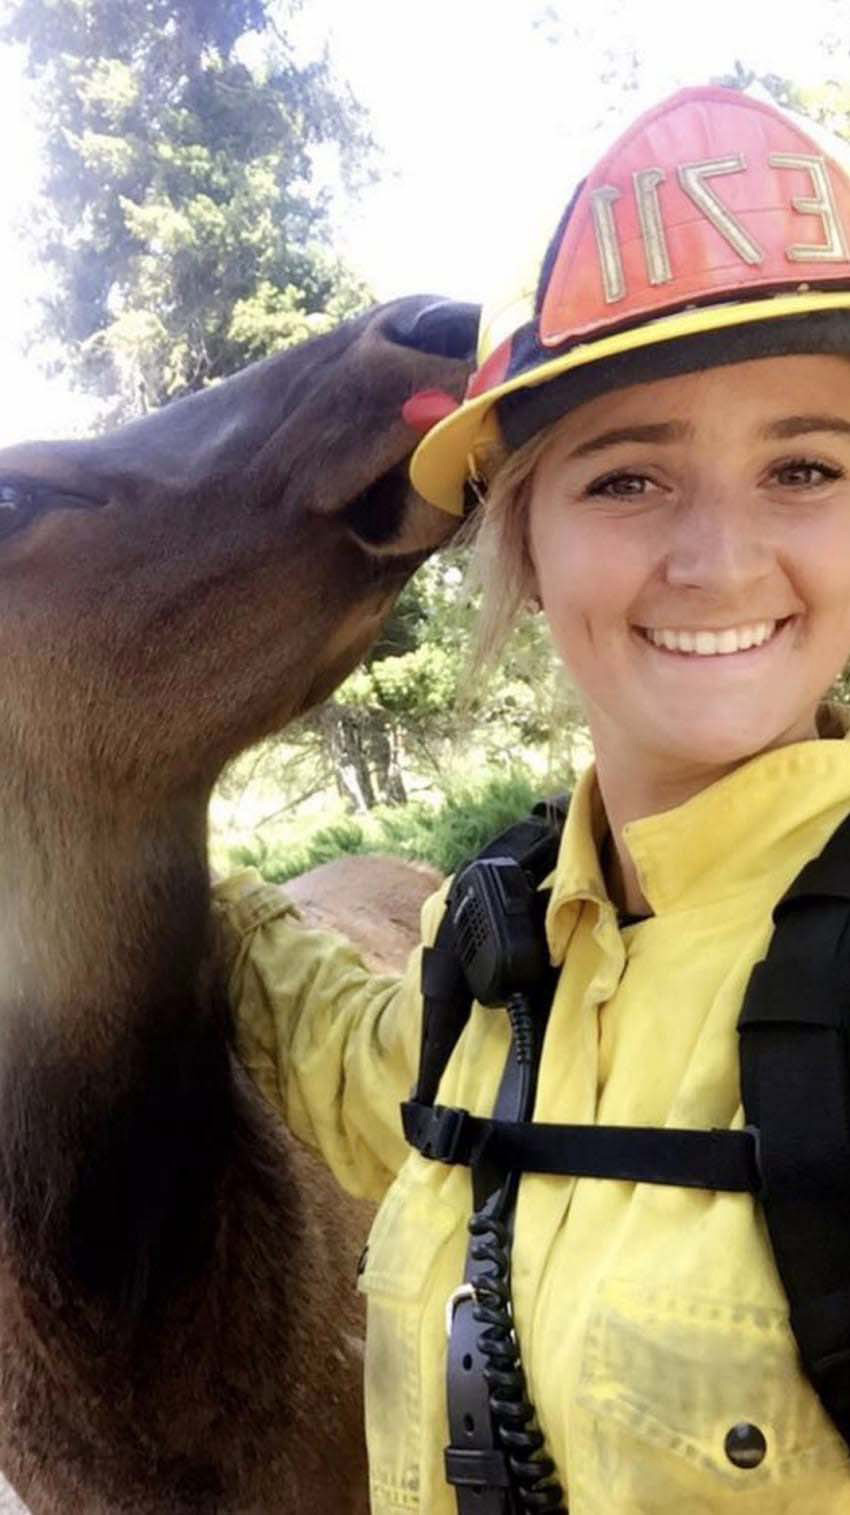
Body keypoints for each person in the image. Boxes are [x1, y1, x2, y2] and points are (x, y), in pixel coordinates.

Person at [213, 85, 850, 1514]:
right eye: (626, 479)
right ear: (526, 543)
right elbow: (364, 1067)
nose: (717, 560)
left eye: (802, 468)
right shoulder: (495, 958)